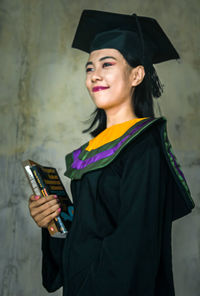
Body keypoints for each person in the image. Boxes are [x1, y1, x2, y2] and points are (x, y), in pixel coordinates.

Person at [28, 10, 195, 296]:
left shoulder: (145, 146)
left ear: (137, 75)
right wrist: (51, 222)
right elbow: (82, 238)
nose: (95, 76)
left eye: (107, 64)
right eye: (89, 68)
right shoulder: (92, 151)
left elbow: (133, 251)